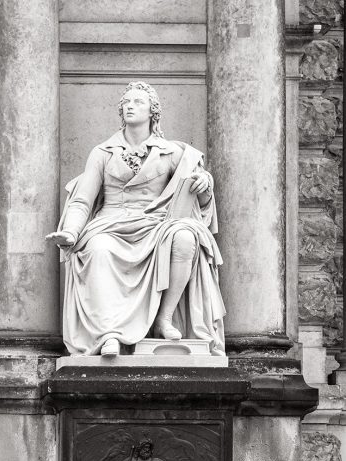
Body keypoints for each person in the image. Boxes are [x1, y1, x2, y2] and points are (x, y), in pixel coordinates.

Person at [46, 81, 226, 357]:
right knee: (98, 248)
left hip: (154, 226)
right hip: (110, 224)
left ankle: (164, 318)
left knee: (186, 237)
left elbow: (200, 190)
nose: (130, 105)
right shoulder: (103, 152)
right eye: (126, 102)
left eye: (138, 102)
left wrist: (204, 184)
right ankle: (109, 335)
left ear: (153, 112)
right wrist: (70, 232)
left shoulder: (172, 152)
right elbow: (83, 199)